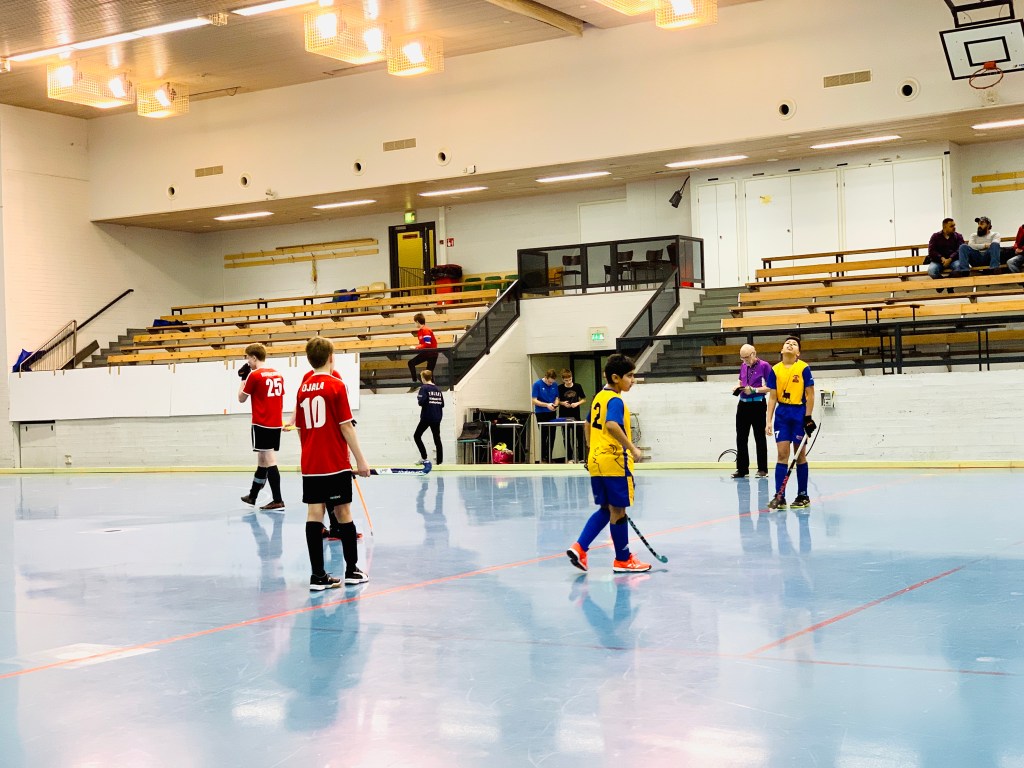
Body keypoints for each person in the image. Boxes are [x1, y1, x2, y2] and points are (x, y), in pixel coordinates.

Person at [296, 336, 371, 589]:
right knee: (343, 513)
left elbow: (300, 428)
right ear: (331, 357)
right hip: (334, 462)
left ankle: (318, 576)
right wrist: (361, 460)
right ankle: (352, 570)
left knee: (314, 513)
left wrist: (307, 453)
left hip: (311, 463)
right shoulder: (336, 386)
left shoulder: (302, 388)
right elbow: (346, 427)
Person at [565, 353, 651, 574]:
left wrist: (591, 449)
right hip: (614, 461)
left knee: (606, 508)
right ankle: (623, 560)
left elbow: (587, 424)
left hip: (596, 460)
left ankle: (579, 547)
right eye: (629, 376)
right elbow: (612, 424)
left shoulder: (598, 398)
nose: (633, 380)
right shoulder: (615, 400)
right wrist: (632, 448)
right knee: (618, 510)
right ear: (615, 377)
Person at [765, 336, 816, 510]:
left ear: (798, 352)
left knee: (799, 455)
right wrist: (768, 421)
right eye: (787, 343)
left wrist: (808, 418)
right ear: (782, 350)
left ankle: (803, 495)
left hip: (799, 413)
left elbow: (810, 395)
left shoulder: (803, 368)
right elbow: (772, 397)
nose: (790, 345)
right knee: (782, 455)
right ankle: (780, 496)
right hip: (782, 415)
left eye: (794, 344)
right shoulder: (775, 370)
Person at [238, 343, 286, 511]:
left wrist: (243, 378)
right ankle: (253, 495)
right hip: (275, 422)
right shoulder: (278, 374)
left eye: (248, 358)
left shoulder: (255, 375)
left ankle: (278, 499)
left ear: (254, 357)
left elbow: (241, 398)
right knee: (262, 459)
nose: (247, 362)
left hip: (262, 422)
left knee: (270, 460)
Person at [732, 344, 771, 479]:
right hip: (743, 404)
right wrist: (737, 387)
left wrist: (754, 390)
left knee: (759, 437)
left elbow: (771, 387)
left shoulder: (765, 366)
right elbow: (740, 380)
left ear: (754, 354)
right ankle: (742, 469)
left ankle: (762, 469)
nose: (745, 361)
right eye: (742, 358)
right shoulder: (743, 365)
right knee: (741, 437)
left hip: (758, 404)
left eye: (747, 357)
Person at [413, 369, 444, 466]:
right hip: (437, 416)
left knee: (417, 436)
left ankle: (424, 457)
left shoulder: (424, 388)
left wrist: (419, 398)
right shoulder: (438, 389)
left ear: (423, 378)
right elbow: (442, 404)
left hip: (427, 416)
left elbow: (421, 402)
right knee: (437, 438)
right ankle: (439, 461)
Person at [924, 218, 964, 291]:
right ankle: (945, 285)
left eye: (954, 225)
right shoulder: (935, 236)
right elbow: (932, 251)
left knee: (960, 267)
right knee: (931, 270)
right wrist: (941, 258)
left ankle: (946, 285)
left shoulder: (958, 236)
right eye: (951, 226)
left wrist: (950, 258)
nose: (954, 227)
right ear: (944, 227)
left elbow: (960, 250)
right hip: (938, 261)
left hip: (953, 260)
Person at [557, 368, 587, 463]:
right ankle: (570, 458)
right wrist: (562, 403)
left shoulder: (577, 386)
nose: (569, 382)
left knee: (579, 436)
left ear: (572, 377)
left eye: (570, 379)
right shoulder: (560, 388)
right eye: (566, 380)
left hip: (575, 415)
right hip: (564, 415)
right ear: (563, 380)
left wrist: (577, 403)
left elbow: (584, 399)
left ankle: (581, 457)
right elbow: (557, 400)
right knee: (566, 438)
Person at [531, 368, 560, 463]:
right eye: (549, 382)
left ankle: (549, 457)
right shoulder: (537, 384)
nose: (550, 384)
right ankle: (543, 457)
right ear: (546, 377)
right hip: (541, 412)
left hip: (551, 412)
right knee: (544, 435)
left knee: (552, 435)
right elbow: (534, 400)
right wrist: (546, 405)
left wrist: (555, 404)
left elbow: (557, 397)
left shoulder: (554, 385)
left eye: (552, 382)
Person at [407, 313, 438, 387]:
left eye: (414, 322)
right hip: (426, 353)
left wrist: (416, 347)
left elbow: (427, 343)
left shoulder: (426, 330)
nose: (414, 324)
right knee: (411, 363)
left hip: (432, 353)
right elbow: (423, 344)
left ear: (417, 322)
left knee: (429, 374)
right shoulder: (420, 331)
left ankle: (432, 388)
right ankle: (415, 382)